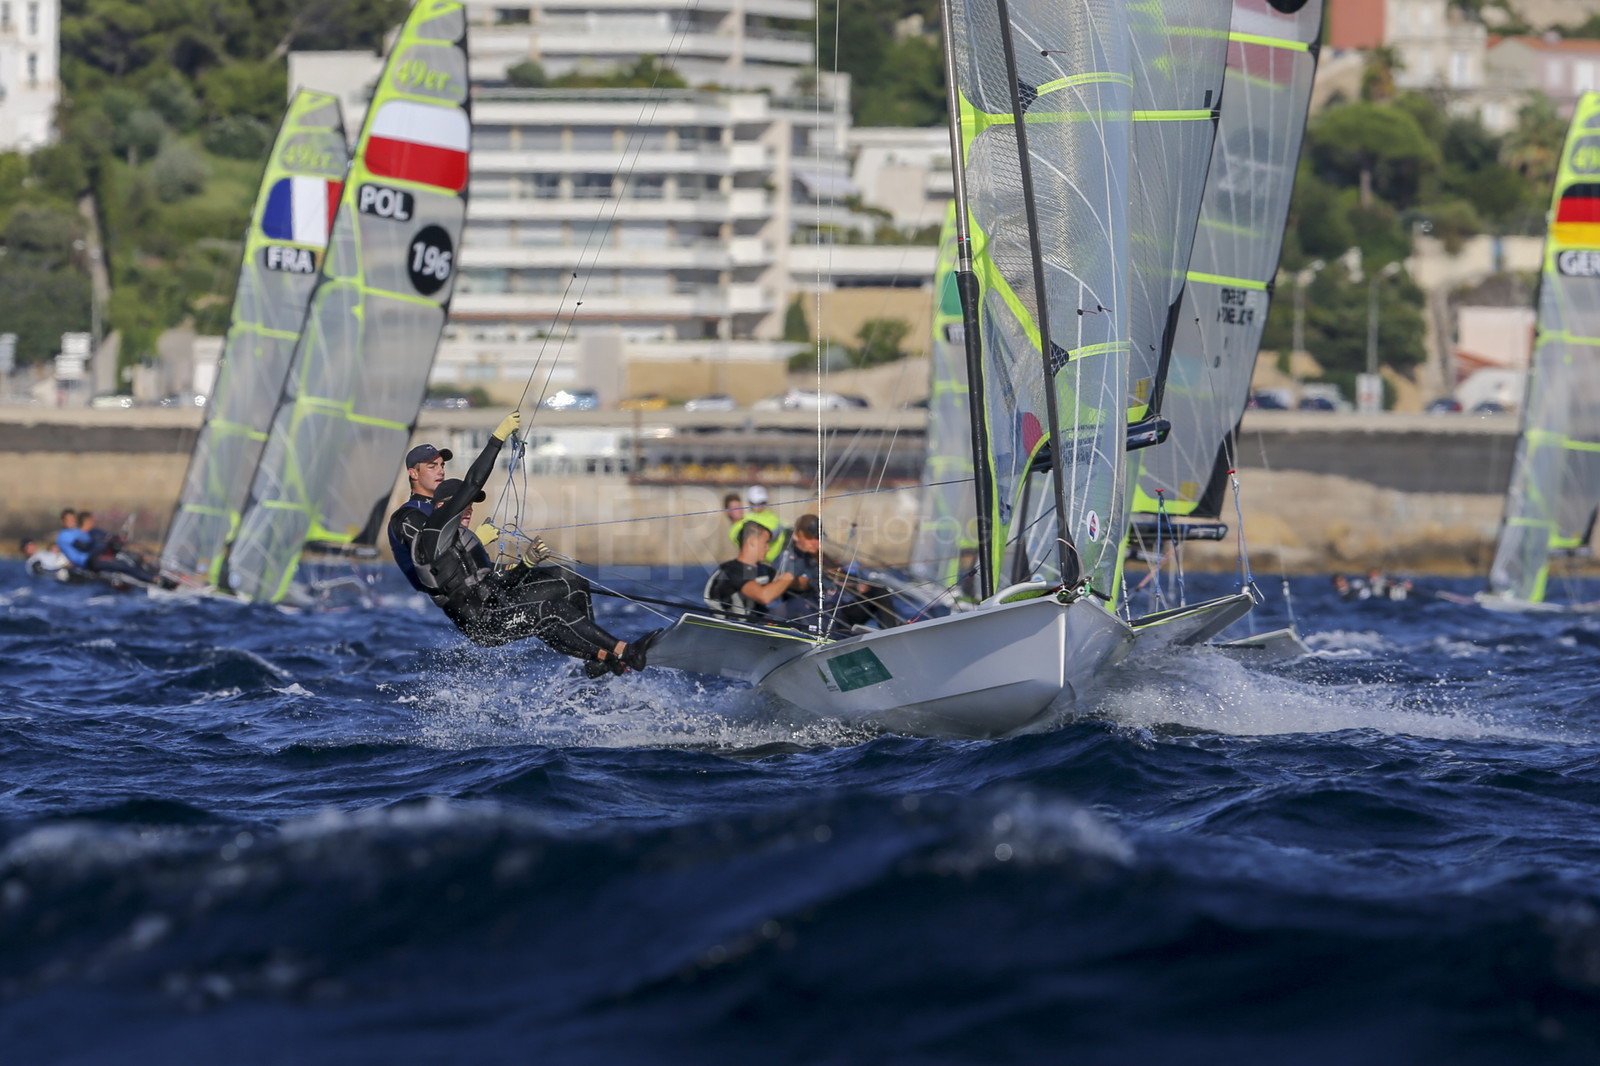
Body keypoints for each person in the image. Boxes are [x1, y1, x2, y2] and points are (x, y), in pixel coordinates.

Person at [394, 410, 656, 674]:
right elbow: (472, 483)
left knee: (571, 582)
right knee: (552, 610)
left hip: (496, 603)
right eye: (464, 505)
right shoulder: (428, 526)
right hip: (483, 622)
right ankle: (626, 651)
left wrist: (526, 563)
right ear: (442, 506)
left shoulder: (462, 539)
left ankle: (599, 657)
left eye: (471, 506)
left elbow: (492, 580)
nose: (469, 509)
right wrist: (497, 438)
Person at [387, 442, 454, 593]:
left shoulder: (439, 508)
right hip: (430, 598)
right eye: (432, 467)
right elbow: (436, 560)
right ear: (414, 473)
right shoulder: (409, 515)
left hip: (454, 590)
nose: (441, 471)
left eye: (442, 465)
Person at [704, 521, 795, 621]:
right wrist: (790, 575)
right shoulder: (731, 571)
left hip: (759, 624)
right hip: (731, 627)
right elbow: (764, 596)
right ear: (752, 541)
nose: (768, 549)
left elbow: (795, 583)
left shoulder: (763, 570)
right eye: (766, 543)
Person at [74, 511, 165, 585]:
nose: (93, 522)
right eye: (92, 520)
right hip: (96, 559)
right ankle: (154, 580)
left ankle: (152, 573)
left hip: (105, 556)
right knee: (125, 566)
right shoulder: (84, 534)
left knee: (132, 559)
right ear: (87, 521)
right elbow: (86, 545)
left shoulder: (94, 531)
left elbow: (112, 538)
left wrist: (121, 539)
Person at [727, 483, 788, 564]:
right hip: (767, 561)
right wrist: (778, 531)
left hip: (785, 556)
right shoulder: (746, 520)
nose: (759, 506)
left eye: (762, 502)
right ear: (749, 502)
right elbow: (746, 538)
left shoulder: (771, 515)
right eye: (755, 503)